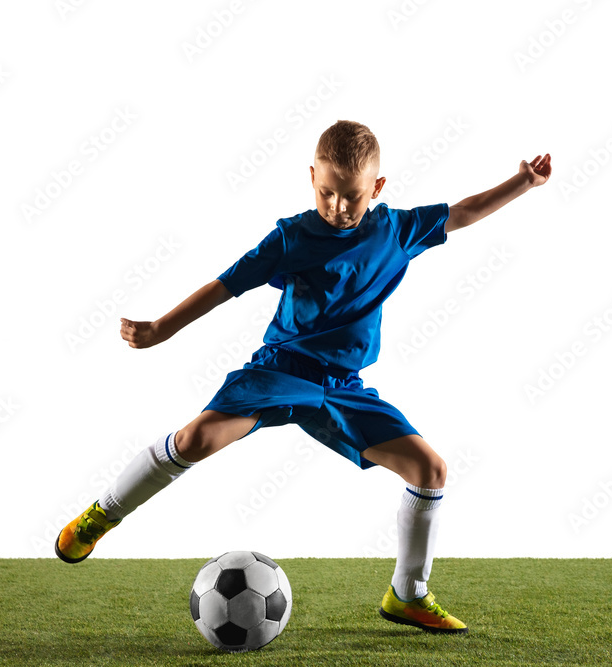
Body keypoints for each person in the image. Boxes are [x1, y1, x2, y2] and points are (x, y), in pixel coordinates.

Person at [55, 120, 551, 634]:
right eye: (326, 192)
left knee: (431, 472)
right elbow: (227, 285)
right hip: (280, 371)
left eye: (351, 197)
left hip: (344, 388)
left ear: (377, 189)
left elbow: (462, 213)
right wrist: (161, 328)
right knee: (196, 439)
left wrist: (522, 183)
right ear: (312, 177)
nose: (337, 206)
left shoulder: (396, 231)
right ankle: (103, 514)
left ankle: (409, 594)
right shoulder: (293, 236)